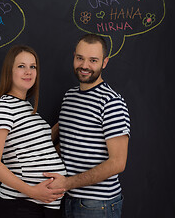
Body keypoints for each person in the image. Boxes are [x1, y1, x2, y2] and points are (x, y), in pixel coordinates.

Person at [44, 34, 130, 218]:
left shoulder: (111, 102)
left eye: (93, 60)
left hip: (98, 205)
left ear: (104, 62)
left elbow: (118, 163)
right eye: (80, 58)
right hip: (67, 199)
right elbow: (68, 145)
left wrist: (67, 183)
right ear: (74, 56)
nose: (84, 66)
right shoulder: (69, 97)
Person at [0, 45, 66, 218]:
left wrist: (67, 120)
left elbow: (39, 145)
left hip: (42, 207)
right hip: (20, 207)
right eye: (21, 66)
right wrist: (32, 192)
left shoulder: (26, 108)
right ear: (9, 71)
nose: (28, 72)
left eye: (32, 66)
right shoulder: (3, 107)